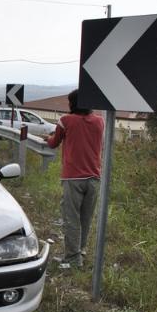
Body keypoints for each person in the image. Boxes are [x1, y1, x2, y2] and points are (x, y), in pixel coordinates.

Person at [46, 90, 104, 268]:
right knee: (86, 218)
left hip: (73, 178)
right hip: (94, 177)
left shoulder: (66, 121)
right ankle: (81, 251)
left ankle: (72, 257)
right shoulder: (100, 121)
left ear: (73, 103)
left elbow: (54, 142)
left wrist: (48, 138)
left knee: (72, 218)